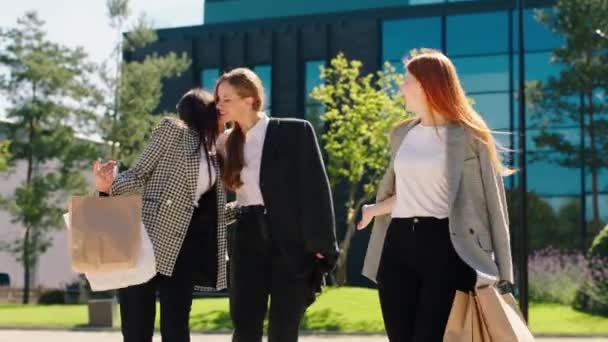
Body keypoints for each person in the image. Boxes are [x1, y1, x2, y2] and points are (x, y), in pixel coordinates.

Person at [357, 50, 514, 342]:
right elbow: (409, 192)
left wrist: (503, 272)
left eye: (408, 81)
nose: (401, 87)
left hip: (446, 247)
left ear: (428, 85)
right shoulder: (402, 134)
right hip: (398, 245)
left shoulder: (470, 136)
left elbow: (495, 206)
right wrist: (375, 209)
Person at [94, 88, 229, 342]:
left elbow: (208, 209)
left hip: (185, 249)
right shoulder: (173, 132)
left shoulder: (217, 152)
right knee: (137, 324)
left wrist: (245, 211)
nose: (225, 116)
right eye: (219, 110)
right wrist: (107, 188)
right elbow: (139, 173)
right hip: (148, 239)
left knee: (176, 326)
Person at [215, 67, 338, 342]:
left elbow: (315, 189)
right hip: (247, 237)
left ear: (249, 100)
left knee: (283, 328)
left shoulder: (294, 132)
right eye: (218, 99)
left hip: (289, 240)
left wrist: (322, 244)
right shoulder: (224, 143)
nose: (219, 105)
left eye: (226, 99)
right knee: (245, 326)